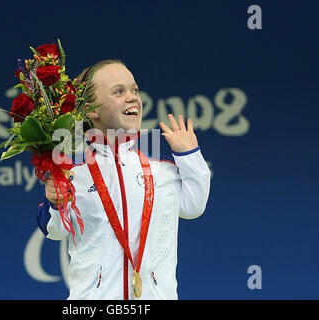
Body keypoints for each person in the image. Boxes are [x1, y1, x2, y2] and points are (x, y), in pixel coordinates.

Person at [36, 59, 211, 300]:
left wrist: (189, 155)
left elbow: (194, 206)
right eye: (119, 91)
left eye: (135, 90)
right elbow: (55, 230)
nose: (132, 97)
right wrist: (54, 200)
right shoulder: (73, 176)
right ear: (90, 110)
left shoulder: (162, 172)